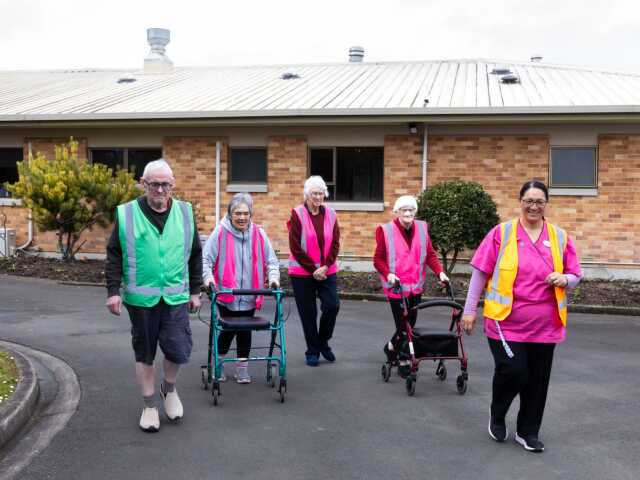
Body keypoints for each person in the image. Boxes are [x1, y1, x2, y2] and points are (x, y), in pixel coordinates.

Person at [462, 180, 582, 453]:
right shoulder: (502, 233)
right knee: (515, 371)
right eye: (529, 200)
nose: (534, 206)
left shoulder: (560, 237)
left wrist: (565, 278)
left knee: (537, 381)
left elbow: (576, 274)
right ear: (520, 202)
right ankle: (497, 413)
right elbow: (480, 272)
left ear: (546, 204)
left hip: (545, 324)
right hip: (505, 322)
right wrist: (470, 310)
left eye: (539, 201)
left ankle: (527, 432)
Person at [105, 159, 202, 433]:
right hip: (141, 300)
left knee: (178, 349)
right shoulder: (127, 214)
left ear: (172, 185)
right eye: (154, 184)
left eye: (165, 185)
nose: (160, 190)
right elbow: (114, 254)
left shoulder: (184, 212)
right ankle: (149, 406)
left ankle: (168, 389)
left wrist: (196, 290)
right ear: (143, 184)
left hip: (176, 296)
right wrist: (113, 292)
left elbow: (195, 253)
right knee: (145, 353)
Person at [202, 193, 280, 384]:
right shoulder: (220, 232)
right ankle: (219, 364)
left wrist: (273, 279)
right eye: (237, 213)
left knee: (245, 330)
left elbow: (271, 261)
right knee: (229, 329)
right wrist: (209, 281)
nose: (242, 217)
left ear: (250, 214)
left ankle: (242, 369)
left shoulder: (259, 234)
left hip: (250, 293)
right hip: (225, 294)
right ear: (230, 214)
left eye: (245, 213)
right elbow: (205, 260)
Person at [374, 195, 449, 376]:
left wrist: (440, 272)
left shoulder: (422, 228)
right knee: (403, 325)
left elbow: (430, 254)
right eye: (404, 210)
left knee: (410, 323)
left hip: (416, 286)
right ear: (397, 212)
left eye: (411, 210)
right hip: (396, 287)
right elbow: (378, 259)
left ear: (415, 212)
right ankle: (403, 359)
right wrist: (388, 274)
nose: (408, 213)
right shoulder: (385, 230)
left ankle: (391, 346)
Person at [287, 175, 340, 366]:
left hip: (327, 270)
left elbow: (335, 243)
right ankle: (312, 350)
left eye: (321, 193)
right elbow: (295, 246)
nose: (318, 197)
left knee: (332, 306)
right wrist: (313, 269)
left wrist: (325, 266)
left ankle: (323, 342)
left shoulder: (332, 214)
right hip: (303, 273)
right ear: (307, 195)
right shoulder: (297, 214)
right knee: (308, 313)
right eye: (314, 193)